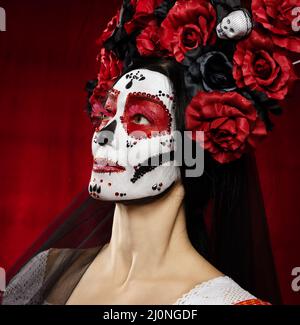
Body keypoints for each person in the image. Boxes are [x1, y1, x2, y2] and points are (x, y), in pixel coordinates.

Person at [4, 0, 296, 305]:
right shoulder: (45, 274)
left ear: (191, 150)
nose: (104, 134)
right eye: (107, 113)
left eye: (140, 118)